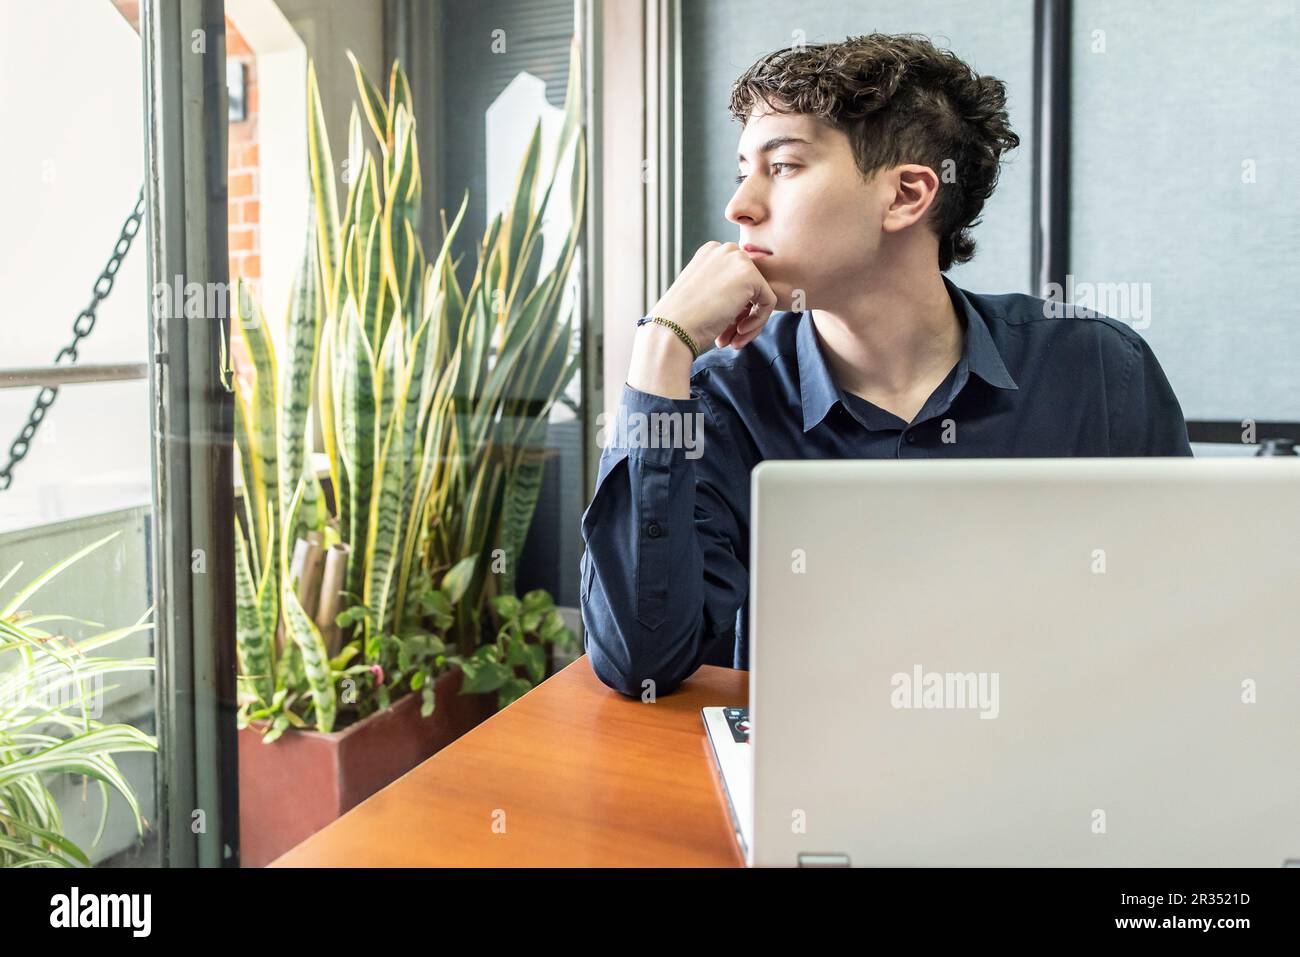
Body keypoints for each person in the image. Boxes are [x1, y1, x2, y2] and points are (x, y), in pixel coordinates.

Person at [579, 33, 1191, 698]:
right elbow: (638, 661)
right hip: (805, 787)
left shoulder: (1098, 370)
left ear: (906, 195)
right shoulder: (716, 402)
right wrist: (661, 345)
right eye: (742, 171)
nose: (739, 206)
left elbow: (1186, 618)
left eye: (782, 167)